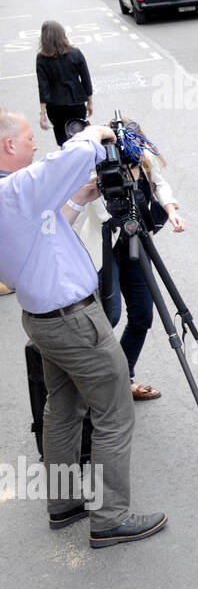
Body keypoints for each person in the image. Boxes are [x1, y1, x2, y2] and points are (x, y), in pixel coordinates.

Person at [0, 111, 167, 547]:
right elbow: (59, 164)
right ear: (7, 146)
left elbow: (47, 233)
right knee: (114, 411)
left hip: (44, 320)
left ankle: (63, 502)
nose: (34, 144)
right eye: (27, 139)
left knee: (63, 405)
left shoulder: (13, 200)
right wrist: (94, 135)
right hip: (73, 321)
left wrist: (79, 198)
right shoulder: (14, 190)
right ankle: (111, 517)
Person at [80, 119, 187, 400]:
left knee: (142, 315)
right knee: (109, 315)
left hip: (136, 242)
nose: (130, 154)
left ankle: (122, 379)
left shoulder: (141, 155)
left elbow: (161, 185)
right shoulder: (98, 164)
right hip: (107, 245)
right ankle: (93, 383)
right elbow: (96, 209)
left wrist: (170, 209)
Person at [36, 21, 93, 146]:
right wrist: (90, 101)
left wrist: (43, 113)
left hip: (55, 106)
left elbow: (43, 86)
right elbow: (85, 78)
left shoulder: (42, 58)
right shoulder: (75, 53)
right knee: (80, 137)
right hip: (76, 102)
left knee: (63, 141)